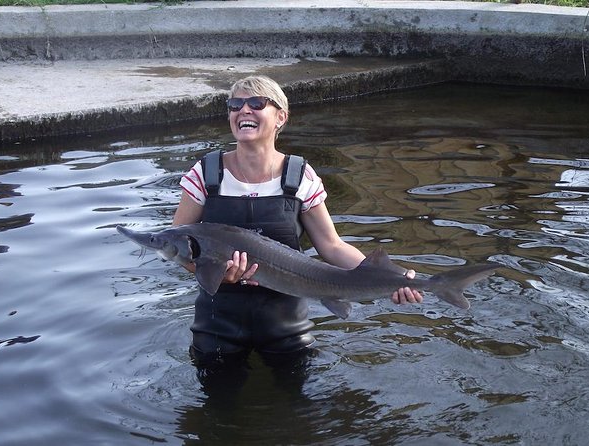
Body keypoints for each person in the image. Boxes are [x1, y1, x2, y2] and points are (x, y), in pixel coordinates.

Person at [173, 75, 422, 379]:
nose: (244, 111)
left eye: (256, 103)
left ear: (281, 117)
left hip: (285, 324)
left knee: (296, 409)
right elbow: (178, 248)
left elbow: (331, 246)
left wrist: (390, 277)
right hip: (217, 323)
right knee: (217, 408)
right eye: (235, 104)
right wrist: (220, 276)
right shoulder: (206, 173)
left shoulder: (300, 175)